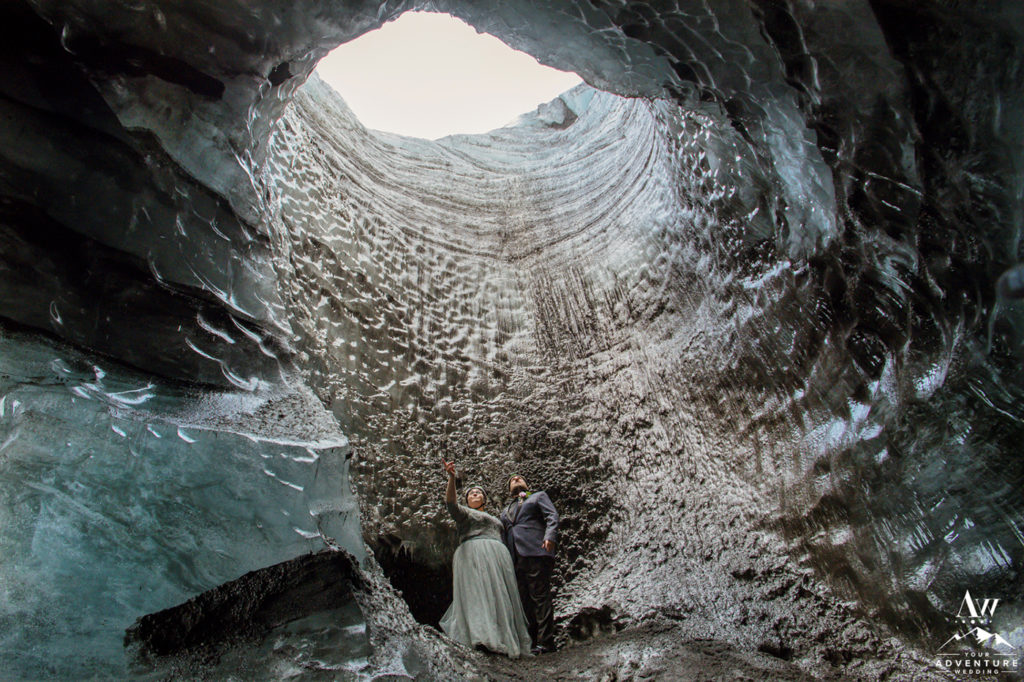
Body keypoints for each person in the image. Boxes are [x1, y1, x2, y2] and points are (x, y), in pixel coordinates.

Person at [438, 459, 532, 657]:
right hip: (474, 553)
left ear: (485, 499)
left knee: (499, 595)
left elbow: (522, 507)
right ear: (467, 500)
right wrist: (452, 478)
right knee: (478, 594)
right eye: (471, 493)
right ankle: (481, 636)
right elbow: (450, 503)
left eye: (479, 492)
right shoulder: (464, 514)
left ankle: (501, 635)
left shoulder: (497, 518)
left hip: (498, 556)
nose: (475, 494)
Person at [500, 474, 559, 654]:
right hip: (515, 557)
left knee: (540, 597)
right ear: (508, 490)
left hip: (535, 551)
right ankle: (531, 642)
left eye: (520, 478)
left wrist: (549, 537)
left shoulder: (538, 496)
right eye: (512, 479)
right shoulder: (504, 511)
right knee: (524, 601)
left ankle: (547, 641)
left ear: (527, 484)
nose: (516, 478)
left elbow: (552, 515)